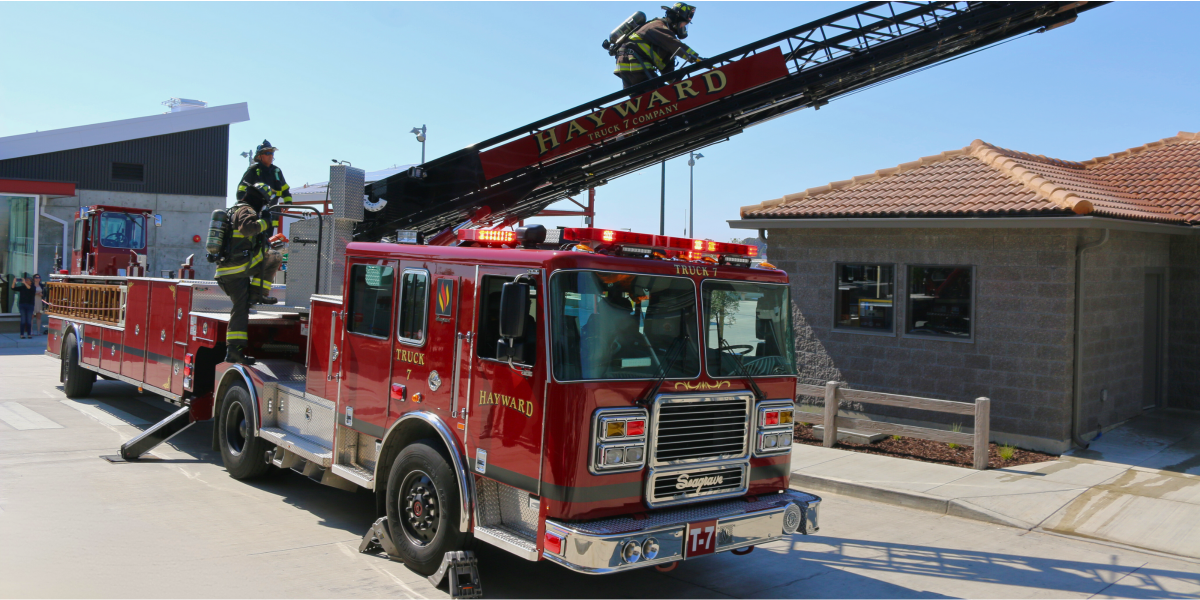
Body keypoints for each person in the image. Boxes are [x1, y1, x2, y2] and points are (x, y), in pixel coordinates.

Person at [235, 140, 290, 303]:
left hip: (270, 215)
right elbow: (241, 190)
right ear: (260, 156)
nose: (271, 156)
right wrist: (245, 206)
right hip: (254, 214)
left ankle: (259, 292)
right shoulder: (253, 170)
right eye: (267, 153)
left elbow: (285, 189)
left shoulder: (276, 171)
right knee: (255, 245)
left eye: (272, 153)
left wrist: (287, 203)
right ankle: (253, 288)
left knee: (267, 248)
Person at [613, 3, 702, 93]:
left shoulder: (664, 40)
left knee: (641, 100)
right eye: (683, 24)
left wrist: (676, 82)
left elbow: (667, 69)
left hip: (628, 68)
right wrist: (698, 59)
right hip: (634, 63)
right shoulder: (657, 26)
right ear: (676, 20)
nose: (683, 28)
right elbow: (674, 44)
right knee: (662, 94)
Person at [11, 274, 37, 339]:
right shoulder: (22, 287)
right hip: (22, 305)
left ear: (31, 281)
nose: (26, 281)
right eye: (26, 280)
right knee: (23, 320)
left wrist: (24, 283)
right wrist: (14, 282)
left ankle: (29, 334)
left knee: (29, 320)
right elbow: (13, 288)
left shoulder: (33, 287)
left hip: (30, 305)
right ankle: (22, 334)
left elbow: (29, 288)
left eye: (27, 280)